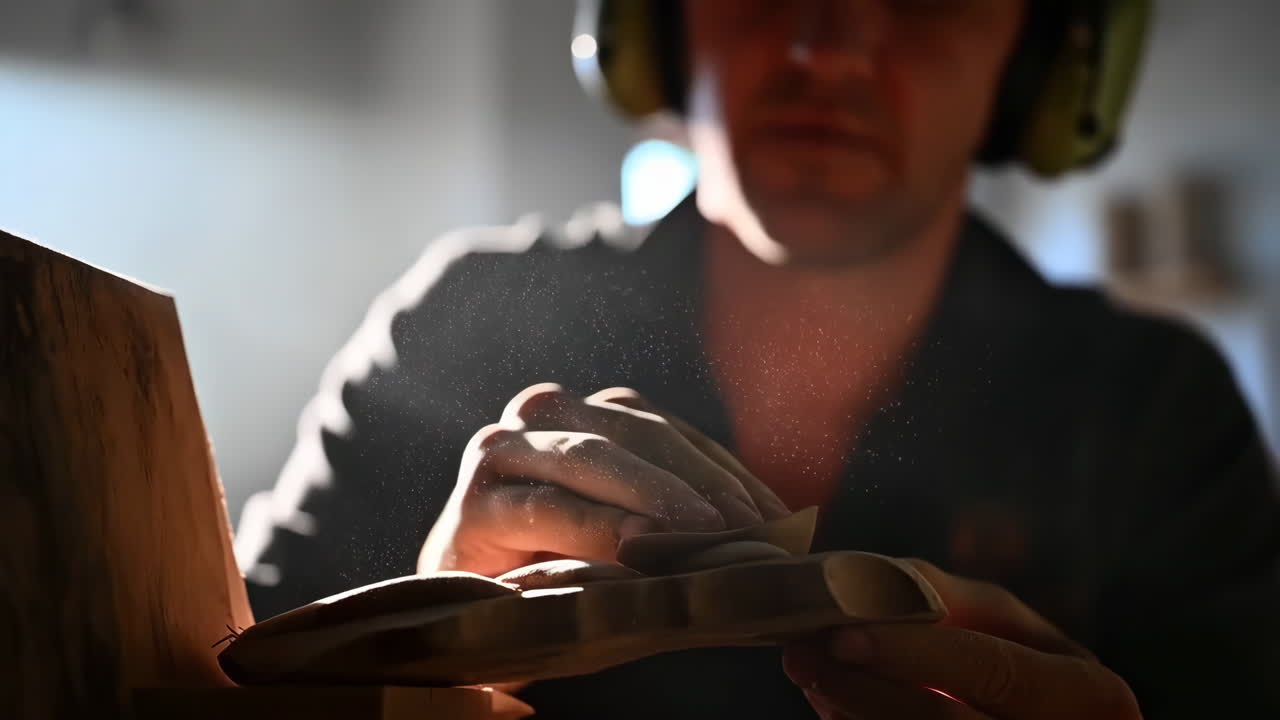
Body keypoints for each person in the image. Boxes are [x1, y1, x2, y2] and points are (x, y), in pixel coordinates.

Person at [235, 1, 1280, 717]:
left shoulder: (1153, 414)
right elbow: (190, 675)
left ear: (1044, 55)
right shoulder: (467, 325)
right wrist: (407, 648)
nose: (826, 46)